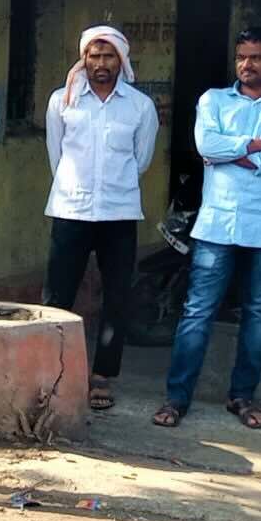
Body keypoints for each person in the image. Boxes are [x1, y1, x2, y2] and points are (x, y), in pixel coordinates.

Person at [156, 26, 261, 430]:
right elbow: (206, 146)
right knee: (197, 311)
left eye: (256, 57)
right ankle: (176, 398)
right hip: (217, 224)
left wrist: (233, 152)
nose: (247, 64)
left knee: (257, 313)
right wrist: (255, 146)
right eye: (242, 56)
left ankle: (242, 396)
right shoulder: (214, 101)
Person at [42, 24, 159, 412]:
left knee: (117, 295)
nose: (101, 64)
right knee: (58, 295)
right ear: (84, 59)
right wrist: (77, 188)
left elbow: (140, 160)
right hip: (70, 210)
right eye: (94, 56)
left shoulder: (140, 107)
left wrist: (111, 186)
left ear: (121, 60)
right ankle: (50, 370)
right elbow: (56, 156)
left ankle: (103, 375)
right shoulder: (63, 100)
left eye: (109, 56)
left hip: (119, 212)